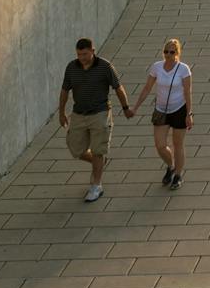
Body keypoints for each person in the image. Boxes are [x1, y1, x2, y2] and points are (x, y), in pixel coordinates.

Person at [59, 38, 132, 203]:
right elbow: (64, 90)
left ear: (93, 51)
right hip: (78, 113)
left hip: (100, 113)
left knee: (98, 149)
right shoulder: (71, 67)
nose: (82, 58)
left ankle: (96, 185)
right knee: (75, 149)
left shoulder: (105, 67)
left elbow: (118, 87)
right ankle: (97, 162)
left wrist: (126, 108)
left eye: (85, 54)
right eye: (79, 54)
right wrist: (62, 112)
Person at [135, 37, 194, 190]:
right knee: (160, 145)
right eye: (166, 51)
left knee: (177, 144)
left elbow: (187, 92)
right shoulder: (157, 67)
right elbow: (147, 88)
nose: (168, 54)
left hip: (179, 109)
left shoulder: (183, 69)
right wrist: (135, 107)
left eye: (172, 52)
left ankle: (178, 175)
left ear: (177, 53)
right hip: (161, 110)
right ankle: (171, 165)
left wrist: (189, 113)